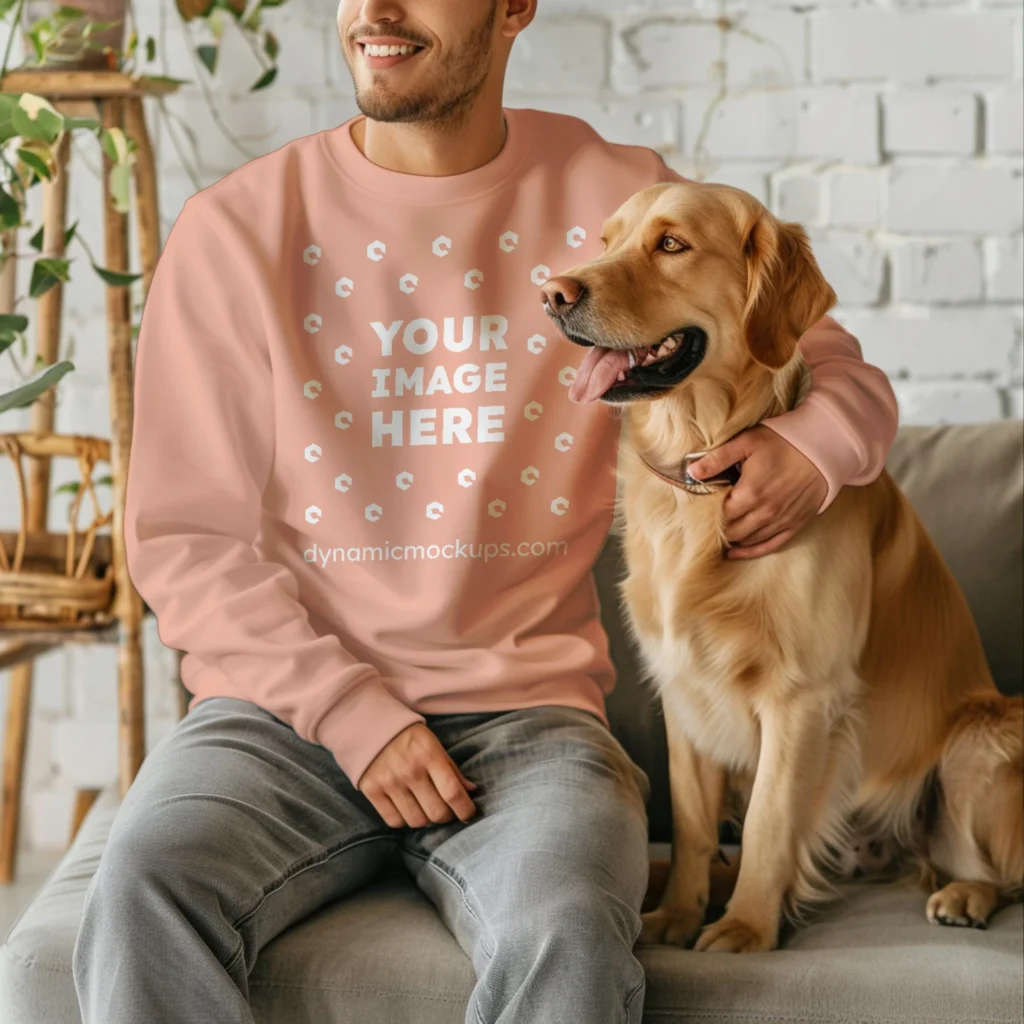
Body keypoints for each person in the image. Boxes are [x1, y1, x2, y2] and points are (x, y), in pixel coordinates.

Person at [72, 2, 899, 1022]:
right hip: (276, 717)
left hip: (532, 723)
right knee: (140, 889)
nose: (374, 11)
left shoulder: (613, 196)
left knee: (566, 929)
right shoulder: (237, 228)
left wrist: (809, 451)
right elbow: (183, 541)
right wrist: (351, 716)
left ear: (513, 8)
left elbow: (834, 366)